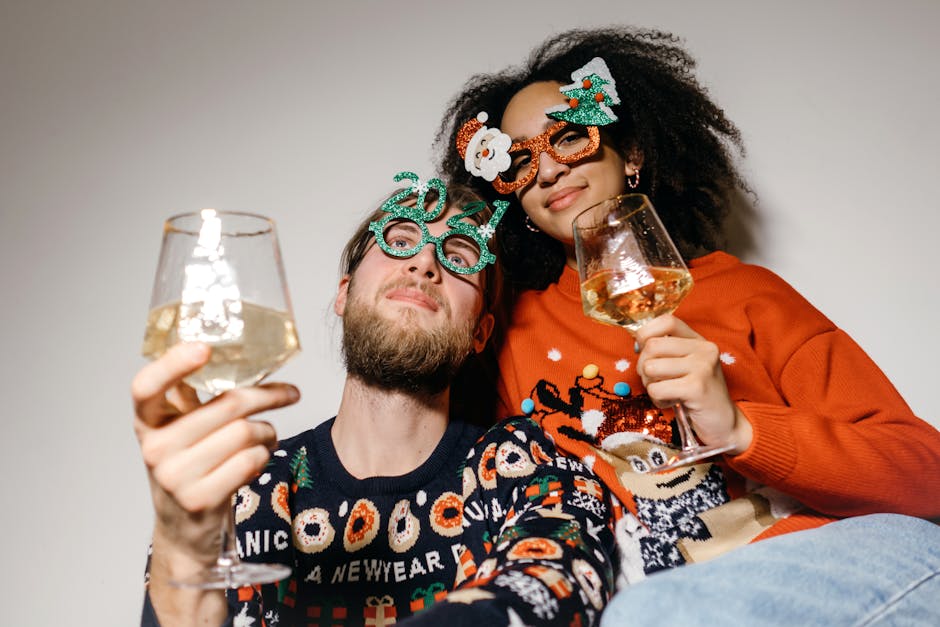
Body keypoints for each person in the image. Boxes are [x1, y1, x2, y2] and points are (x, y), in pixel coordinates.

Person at [434, 26, 940, 622]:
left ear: (634, 156)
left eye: (569, 137)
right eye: (518, 162)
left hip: (832, 567)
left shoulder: (748, 294)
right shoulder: (513, 333)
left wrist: (742, 429)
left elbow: (924, 474)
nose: (546, 170)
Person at [134, 173, 618, 626]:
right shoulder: (247, 488)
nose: (425, 263)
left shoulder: (523, 466)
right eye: (400, 240)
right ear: (344, 294)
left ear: (480, 332)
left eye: (460, 256)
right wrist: (183, 543)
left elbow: (553, 583)